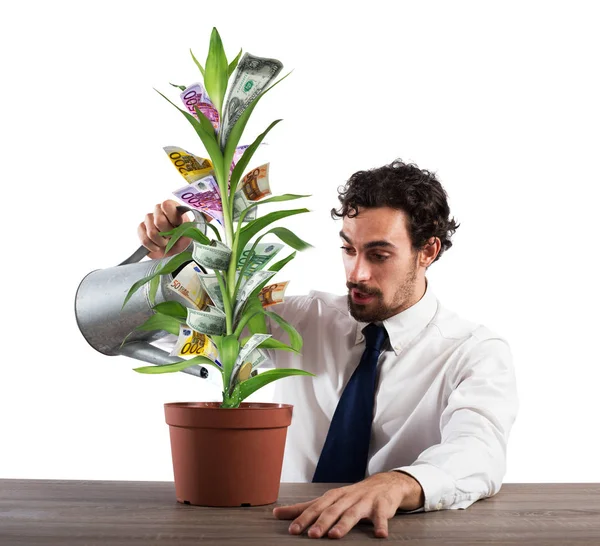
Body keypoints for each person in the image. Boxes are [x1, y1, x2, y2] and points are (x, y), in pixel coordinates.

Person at [138, 160, 519, 540]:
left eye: (379, 254)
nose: (357, 273)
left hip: (392, 536)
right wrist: (182, 259)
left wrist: (400, 482)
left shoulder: (474, 353)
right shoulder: (304, 319)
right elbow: (202, 325)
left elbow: (480, 450)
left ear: (428, 251)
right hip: (281, 530)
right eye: (348, 249)